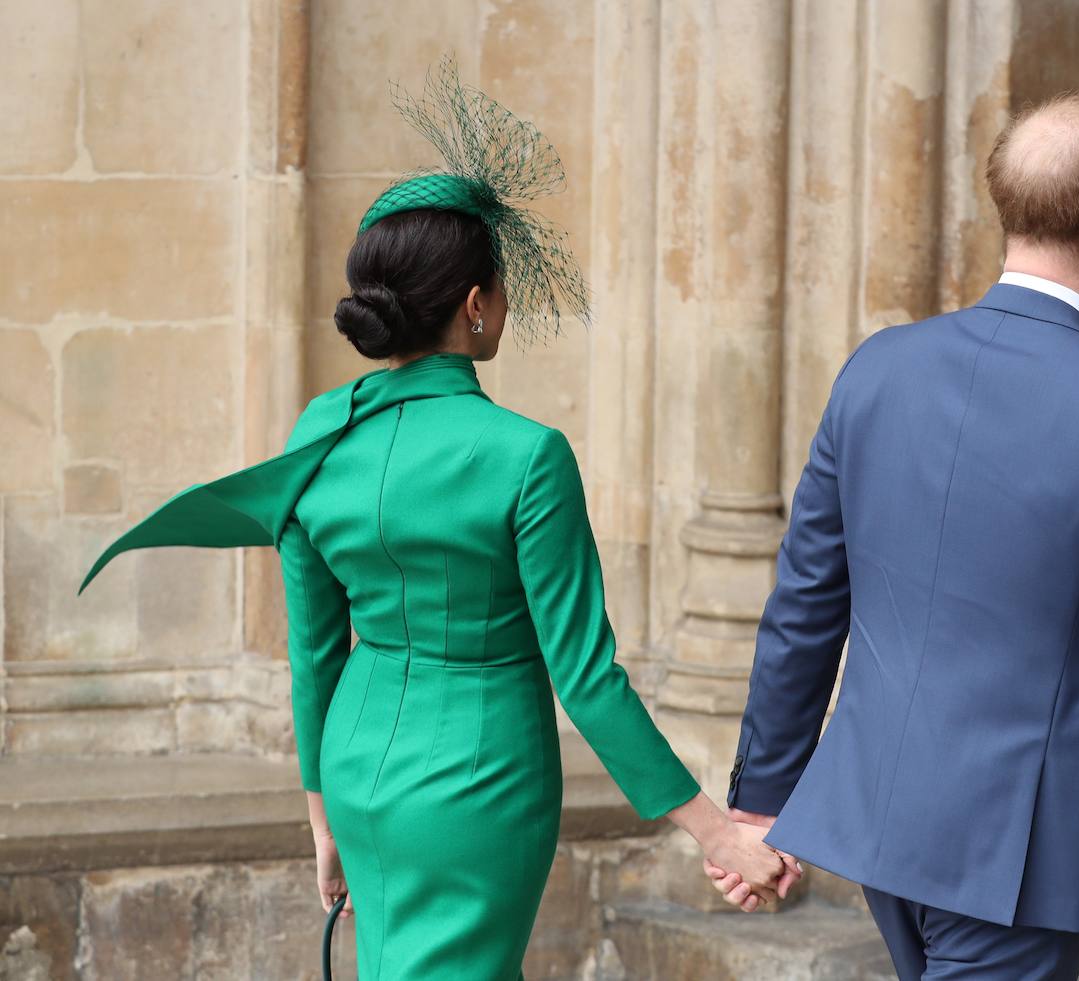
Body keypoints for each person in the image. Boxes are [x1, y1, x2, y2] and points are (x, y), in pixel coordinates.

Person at [79, 61, 793, 980]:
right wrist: (713, 831)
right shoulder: (527, 453)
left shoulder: (316, 434)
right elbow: (586, 677)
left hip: (357, 767)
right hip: (477, 782)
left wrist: (323, 818)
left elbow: (314, 650)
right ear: (474, 305)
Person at [705, 93, 1079, 980]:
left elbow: (803, 607)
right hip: (1018, 834)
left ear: (1007, 208)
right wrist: (1070, 700)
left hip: (880, 814)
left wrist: (759, 801)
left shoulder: (878, 366)